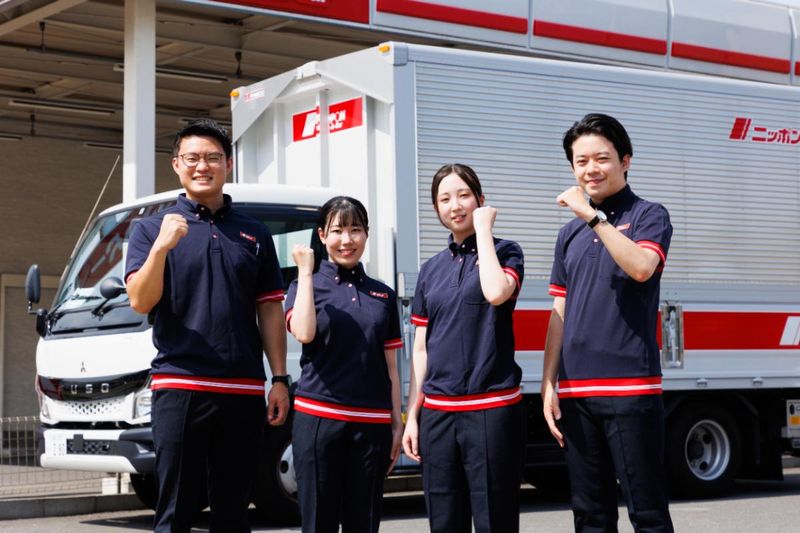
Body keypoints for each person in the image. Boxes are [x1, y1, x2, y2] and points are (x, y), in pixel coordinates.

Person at [125, 118, 289, 533]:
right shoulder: (149, 229)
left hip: (243, 388)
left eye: (213, 157)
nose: (203, 166)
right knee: (176, 508)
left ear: (228, 165)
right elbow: (140, 300)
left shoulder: (253, 233)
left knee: (234, 511)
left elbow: (269, 309)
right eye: (193, 158)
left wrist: (280, 379)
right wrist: (162, 248)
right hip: (180, 385)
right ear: (176, 165)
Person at [542, 113, 674, 532]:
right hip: (577, 392)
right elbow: (560, 312)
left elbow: (641, 267)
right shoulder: (568, 235)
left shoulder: (650, 214)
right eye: (580, 162)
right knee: (590, 516)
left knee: (647, 513)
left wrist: (593, 218)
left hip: (631, 389)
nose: (590, 169)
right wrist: (548, 383)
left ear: (626, 160)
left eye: (601, 158)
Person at [402, 163, 525, 533]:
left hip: (491, 409)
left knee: (495, 519)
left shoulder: (506, 251)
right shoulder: (430, 270)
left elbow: (495, 292)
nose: (454, 205)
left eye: (463, 195)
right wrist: (413, 414)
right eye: (444, 198)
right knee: (444, 521)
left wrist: (484, 231)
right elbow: (421, 349)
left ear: (481, 200)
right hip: (439, 413)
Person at [285, 196, 404, 533]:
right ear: (322, 235)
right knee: (319, 522)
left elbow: (391, 367)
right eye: (337, 230)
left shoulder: (383, 295)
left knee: (364, 523)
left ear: (367, 234)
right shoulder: (303, 286)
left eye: (355, 230)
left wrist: (396, 423)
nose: (347, 239)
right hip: (319, 420)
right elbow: (304, 332)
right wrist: (306, 273)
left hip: (372, 425)